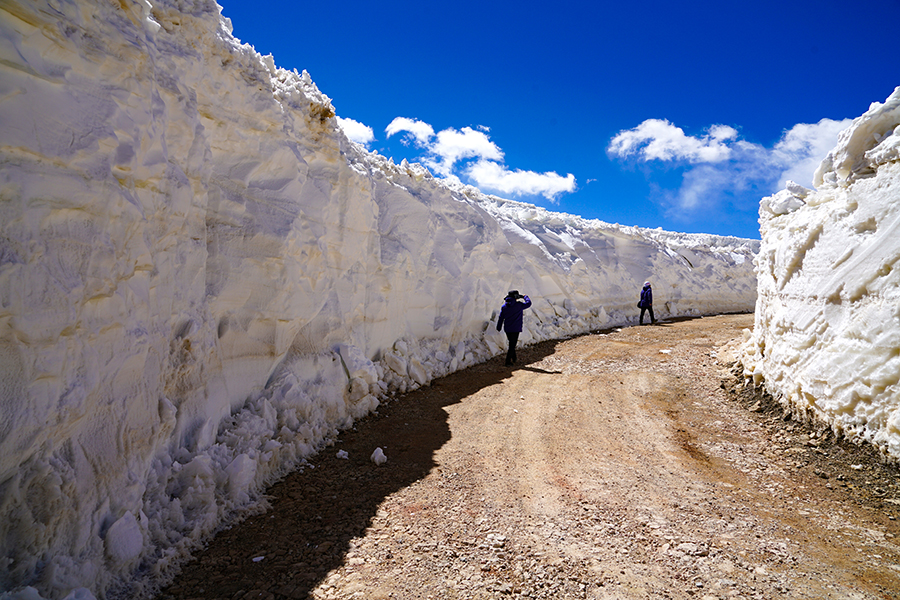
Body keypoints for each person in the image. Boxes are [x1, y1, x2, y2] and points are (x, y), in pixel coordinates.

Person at [496, 290, 532, 366]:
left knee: (511, 343)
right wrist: (525, 297)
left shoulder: (504, 307)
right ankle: (507, 361)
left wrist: (499, 326)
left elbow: (501, 317)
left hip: (507, 328)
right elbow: (529, 303)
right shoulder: (519, 305)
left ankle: (514, 358)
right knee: (512, 345)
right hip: (515, 328)